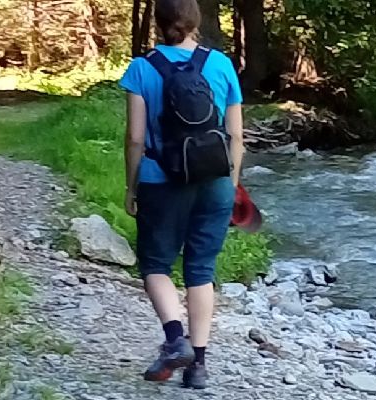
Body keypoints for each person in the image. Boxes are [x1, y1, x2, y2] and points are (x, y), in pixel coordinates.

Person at [117, 0, 245, 390]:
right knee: (201, 271)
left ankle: (175, 340)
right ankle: (199, 367)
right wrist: (233, 183)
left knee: (155, 265)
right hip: (215, 180)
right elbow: (236, 135)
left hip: (161, 180)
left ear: (158, 23)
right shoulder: (220, 64)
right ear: (196, 22)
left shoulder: (142, 68)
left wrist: (132, 185)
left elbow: (136, 138)